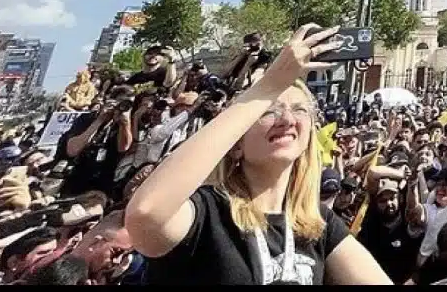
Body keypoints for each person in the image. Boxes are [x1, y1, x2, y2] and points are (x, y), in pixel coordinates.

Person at [125, 24, 391, 284]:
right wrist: (268, 86)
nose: (286, 119)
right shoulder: (208, 213)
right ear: (236, 143)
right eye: (269, 111)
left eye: (299, 109)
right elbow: (146, 214)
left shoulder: (316, 222)